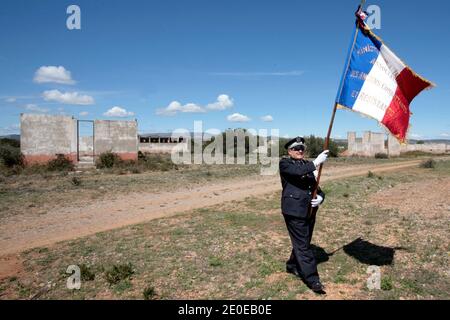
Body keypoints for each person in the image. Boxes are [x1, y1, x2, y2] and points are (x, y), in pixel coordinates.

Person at [279, 136, 329, 294]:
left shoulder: (306, 166)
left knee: (303, 241)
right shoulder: (285, 164)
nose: (300, 151)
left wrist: (321, 197)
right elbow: (298, 172)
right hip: (294, 211)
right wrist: (316, 162)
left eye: (302, 149)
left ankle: (292, 265)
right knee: (303, 245)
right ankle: (313, 279)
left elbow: (316, 187)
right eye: (296, 149)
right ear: (289, 151)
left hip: (309, 210)